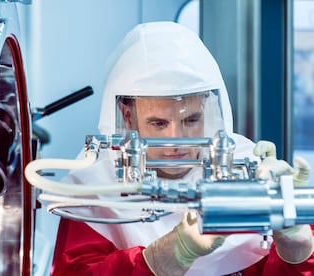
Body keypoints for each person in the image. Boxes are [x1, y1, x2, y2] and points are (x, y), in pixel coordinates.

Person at [50, 21, 314, 275]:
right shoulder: (94, 189)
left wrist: (298, 246)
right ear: (127, 116)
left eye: (191, 120)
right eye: (159, 123)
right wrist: (165, 256)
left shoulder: (247, 167)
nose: (176, 139)